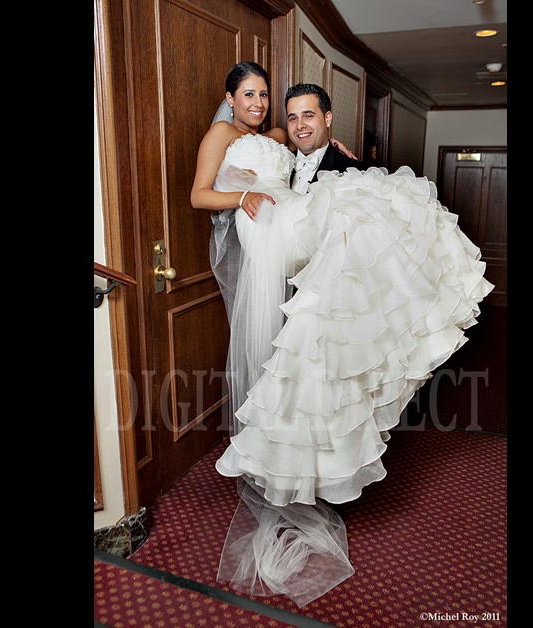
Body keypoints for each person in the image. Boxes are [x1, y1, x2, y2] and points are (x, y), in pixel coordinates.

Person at [190, 62, 494, 607]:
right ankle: (289, 455)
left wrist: (334, 144)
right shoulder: (221, 134)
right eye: (250, 96)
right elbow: (198, 195)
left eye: (266, 97)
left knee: (360, 213)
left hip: (288, 225)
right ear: (229, 99)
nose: (260, 105)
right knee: (355, 214)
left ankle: (409, 302)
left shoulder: (276, 135)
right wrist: (240, 199)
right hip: (263, 229)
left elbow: (305, 142)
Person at [284, 83, 362, 194]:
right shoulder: (277, 164)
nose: (299, 125)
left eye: (308, 116)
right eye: (293, 118)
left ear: (327, 119)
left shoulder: (356, 172)